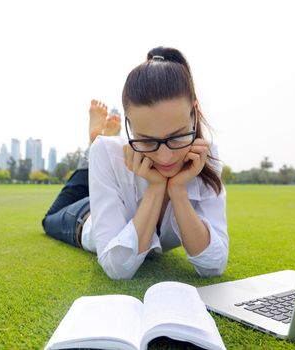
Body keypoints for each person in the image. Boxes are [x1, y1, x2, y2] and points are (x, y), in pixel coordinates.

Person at [42, 46, 228, 280]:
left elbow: (214, 266)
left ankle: (98, 147)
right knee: (50, 219)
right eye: (147, 140)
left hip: (114, 187)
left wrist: (178, 191)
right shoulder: (110, 153)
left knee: (106, 156)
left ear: (195, 113)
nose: (165, 157)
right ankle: (91, 149)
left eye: (177, 136)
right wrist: (156, 188)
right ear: (129, 125)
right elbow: (117, 269)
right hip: (84, 218)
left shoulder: (206, 156)